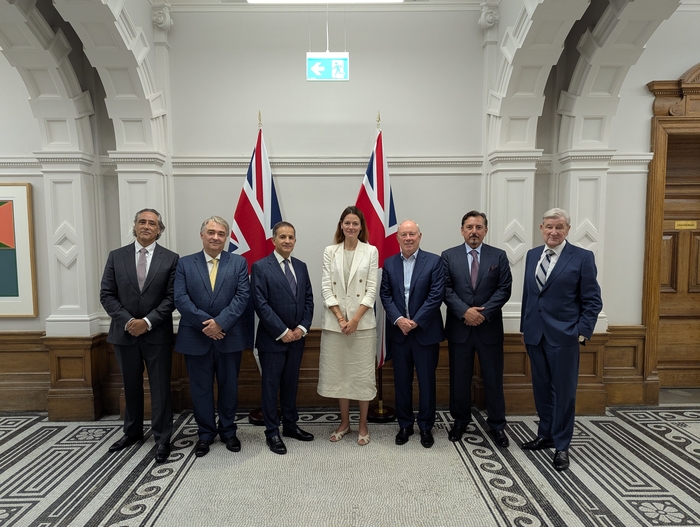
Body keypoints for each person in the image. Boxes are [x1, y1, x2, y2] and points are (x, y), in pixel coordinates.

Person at [520, 208, 602, 471]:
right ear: (541, 228)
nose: (553, 232)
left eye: (559, 227)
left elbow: (593, 300)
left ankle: (562, 446)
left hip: (564, 337)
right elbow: (529, 296)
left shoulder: (582, 257)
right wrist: (524, 328)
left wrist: (580, 332)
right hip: (535, 336)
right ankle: (545, 435)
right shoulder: (532, 255)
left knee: (564, 394)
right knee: (542, 390)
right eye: (549, 227)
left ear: (568, 230)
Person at [100, 208, 179, 463]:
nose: (146, 226)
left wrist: (147, 322)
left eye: (152, 223)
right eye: (142, 222)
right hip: (124, 334)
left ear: (159, 229)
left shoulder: (171, 259)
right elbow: (107, 294)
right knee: (130, 385)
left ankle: (163, 437)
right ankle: (132, 432)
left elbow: (172, 298)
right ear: (135, 226)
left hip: (157, 335)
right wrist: (129, 322)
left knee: (160, 388)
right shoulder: (116, 256)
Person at [174, 216, 251, 458]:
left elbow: (242, 296)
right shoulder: (185, 263)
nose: (215, 237)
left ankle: (228, 431)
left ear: (226, 237)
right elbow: (180, 298)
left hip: (229, 336)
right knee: (200, 389)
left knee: (229, 388)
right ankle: (205, 434)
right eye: (211, 232)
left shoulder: (238, 263)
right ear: (202, 235)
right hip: (195, 337)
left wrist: (220, 323)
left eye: (220, 233)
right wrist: (207, 324)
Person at [442, 211, 512, 447]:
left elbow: (504, 288)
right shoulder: (448, 256)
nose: (474, 231)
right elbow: (445, 289)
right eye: (469, 227)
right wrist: (465, 312)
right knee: (459, 379)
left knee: (493, 379)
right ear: (462, 230)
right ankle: (460, 421)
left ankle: (497, 425)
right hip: (459, 328)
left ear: (485, 231)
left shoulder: (498, 256)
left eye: (479, 227)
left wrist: (482, 313)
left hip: (488, 328)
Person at [251, 221, 315, 455]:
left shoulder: (301, 266)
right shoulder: (261, 267)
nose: (287, 241)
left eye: (291, 237)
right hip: (272, 339)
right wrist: (282, 331)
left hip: (297, 338)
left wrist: (302, 328)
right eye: (282, 237)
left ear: (295, 241)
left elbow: (308, 299)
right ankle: (272, 432)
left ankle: (290, 425)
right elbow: (260, 303)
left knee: (291, 384)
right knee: (270, 387)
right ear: (274, 240)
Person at [380, 220, 445, 448]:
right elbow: (385, 295)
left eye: (412, 234)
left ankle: (426, 427)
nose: (408, 238)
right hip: (399, 334)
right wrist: (399, 320)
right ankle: (405, 425)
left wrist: (415, 321)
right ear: (397, 237)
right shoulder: (389, 263)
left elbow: (436, 295)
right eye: (404, 234)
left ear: (420, 236)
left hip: (425, 332)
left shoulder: (434, 261)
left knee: (427, 383)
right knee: (402, 382)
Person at [317, 206, 378, 446]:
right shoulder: (330, 251)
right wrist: (341, 319)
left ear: (361, 227)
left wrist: (354, 320)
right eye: (347, 223)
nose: (351, 227)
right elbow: (325, 287)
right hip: (336, 326)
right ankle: (344, 422)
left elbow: (371, 289)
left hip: (362, 326)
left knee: (362, 376)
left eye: (355, 223)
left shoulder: (371, 251)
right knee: (340, 375)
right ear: (341, 225)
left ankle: (363, 424)